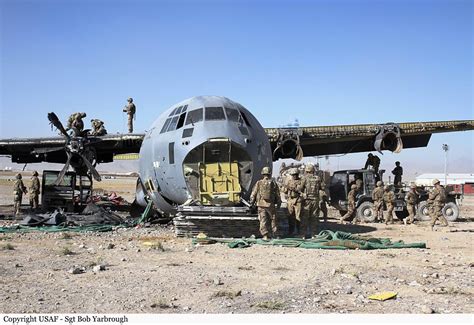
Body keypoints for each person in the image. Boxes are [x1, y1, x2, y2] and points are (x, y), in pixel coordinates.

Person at [250, 167, 281, 240]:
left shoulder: (259, 182)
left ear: (263, 174)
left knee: (263, 220)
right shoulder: (273, 183)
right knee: (273, 219)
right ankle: (275, 234)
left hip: (261, 204)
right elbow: (277, 194)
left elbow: (253, 193)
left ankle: (265, 235)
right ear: (270, 174)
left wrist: (252, 203)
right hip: (270, 205)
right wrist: (278, 204)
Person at [300, 164, 321, 238]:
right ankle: (313, 234)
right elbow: (322, 187)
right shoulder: (318, 178)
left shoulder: (304, 178)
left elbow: (300, 188)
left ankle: (303, 234)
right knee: (314, 217)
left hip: (307, 200)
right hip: (315, 200)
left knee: (305, 217)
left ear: (306, 170)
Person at [283, 168, 304, 236]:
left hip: (298, 200)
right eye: (293, 175)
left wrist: (293, 187)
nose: (293, 176)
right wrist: (285, 187)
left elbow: (300, 189)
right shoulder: (289, 181)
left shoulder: (301, 181)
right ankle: (291, 231)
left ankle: (299, 232)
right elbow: (285, 190)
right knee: (290, 216)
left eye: (295, 175)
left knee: (298, 217)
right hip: (290, 200)